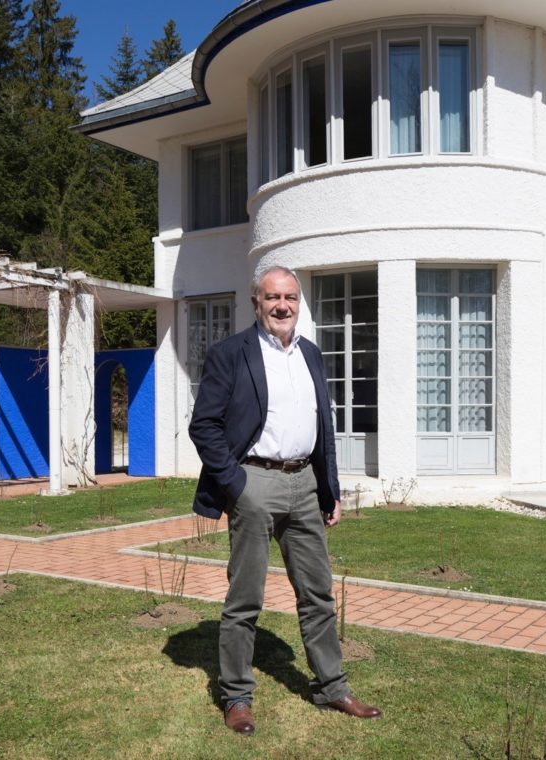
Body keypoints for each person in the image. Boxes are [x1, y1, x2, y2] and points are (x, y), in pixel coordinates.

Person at [188, 265, 383, 736]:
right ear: (256, 301)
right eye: (273, 297)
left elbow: (323, 429)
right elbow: (205, 426)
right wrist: (238, 486)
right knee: (245, 597)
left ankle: (333, 686)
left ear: (299, 304)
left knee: (318, 592)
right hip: (255, 481)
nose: (282, 306)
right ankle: (236, 696)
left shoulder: (311, 354)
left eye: (290, 298)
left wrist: (329, 488)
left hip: (305, 485)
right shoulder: (231, 353)